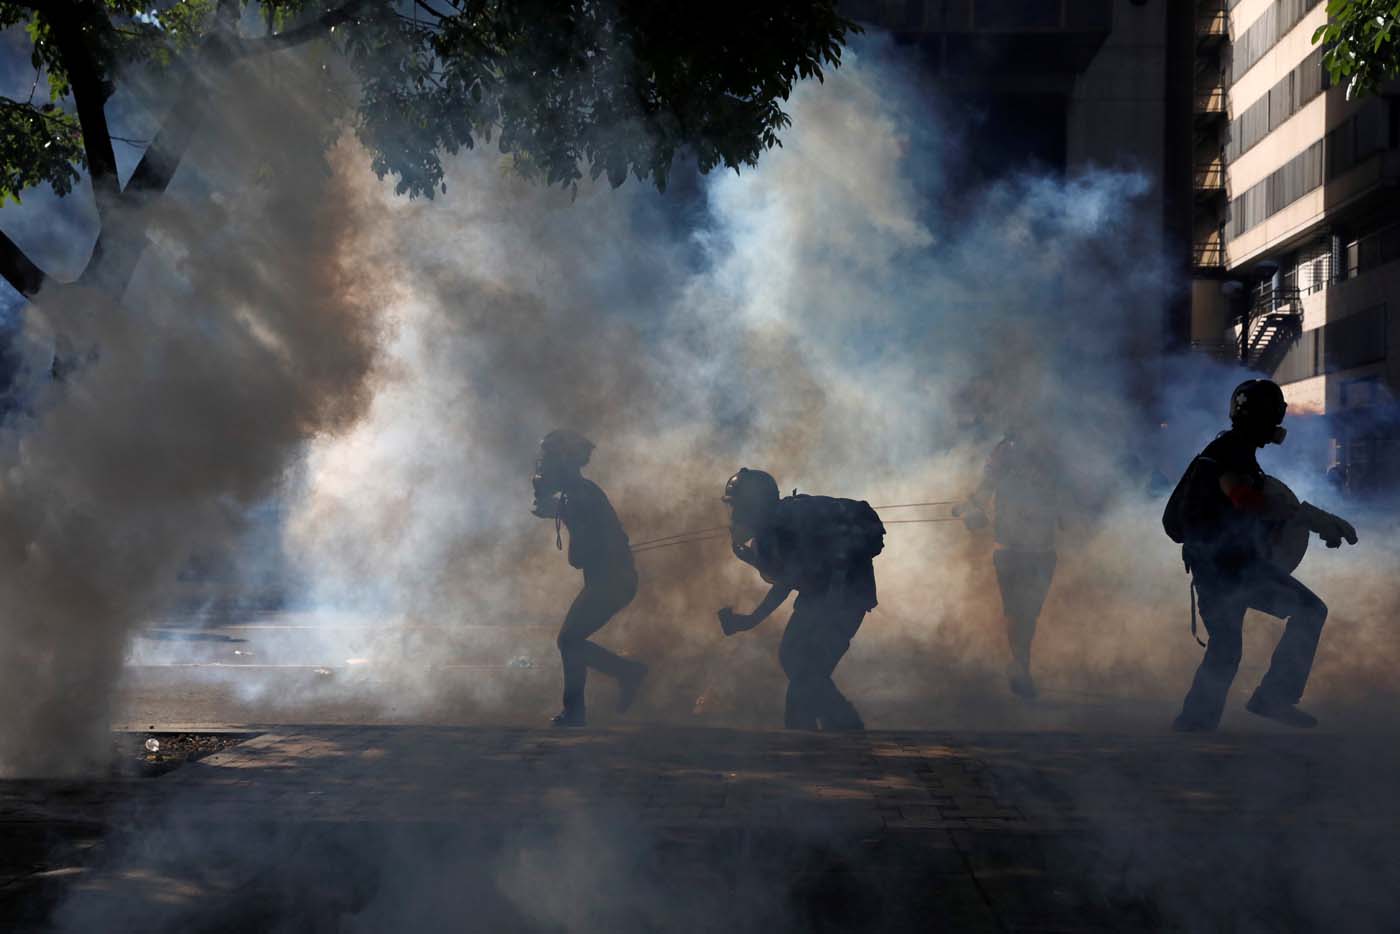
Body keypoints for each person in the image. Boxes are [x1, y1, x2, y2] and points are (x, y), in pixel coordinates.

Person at [1164, 379, 1357, 732]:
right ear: (1267, 417)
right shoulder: (1233, 451)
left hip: (1212, 566)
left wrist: (1302, 522)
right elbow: (1243, 499)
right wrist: (1306, 517)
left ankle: (1194, 724)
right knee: (1310, 610)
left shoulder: (1229, 448)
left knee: (1225, 648)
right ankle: (1273, 698)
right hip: (1232, 567)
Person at [716, 468, 884, 730]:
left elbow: (787, 579)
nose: (735, 515)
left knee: (804, 670)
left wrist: (752, 615)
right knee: (797, 662)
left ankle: (824, 730)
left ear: (753, 505)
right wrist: (752, 615)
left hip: (842, 599)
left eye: (738, 506)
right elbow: (789, 577)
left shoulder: (785, 526)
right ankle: (837, 727)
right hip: (824, 597)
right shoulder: (774, 527)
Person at [531, 429, 646, 727]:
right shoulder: (579, 493)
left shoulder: (579, 496)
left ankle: (589, 702)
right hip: (613, 580)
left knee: (569, 640)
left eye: (550, 459)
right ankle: (620, 677)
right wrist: (559, 511)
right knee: (571, 639)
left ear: (564, 462)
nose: (544, 466)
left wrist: (560, 512)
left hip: (612, 581)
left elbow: (577, 557)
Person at [957, 427, 1062, 699]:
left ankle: (1020, 664)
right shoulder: (1004, 452)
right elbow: (983, 491)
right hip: (1011, 548)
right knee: (1018, 612)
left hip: (1042, 550)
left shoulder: (1054, 454)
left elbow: (1066, 500)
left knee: (1028, 613)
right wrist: (971, 511)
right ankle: (1020, 667)